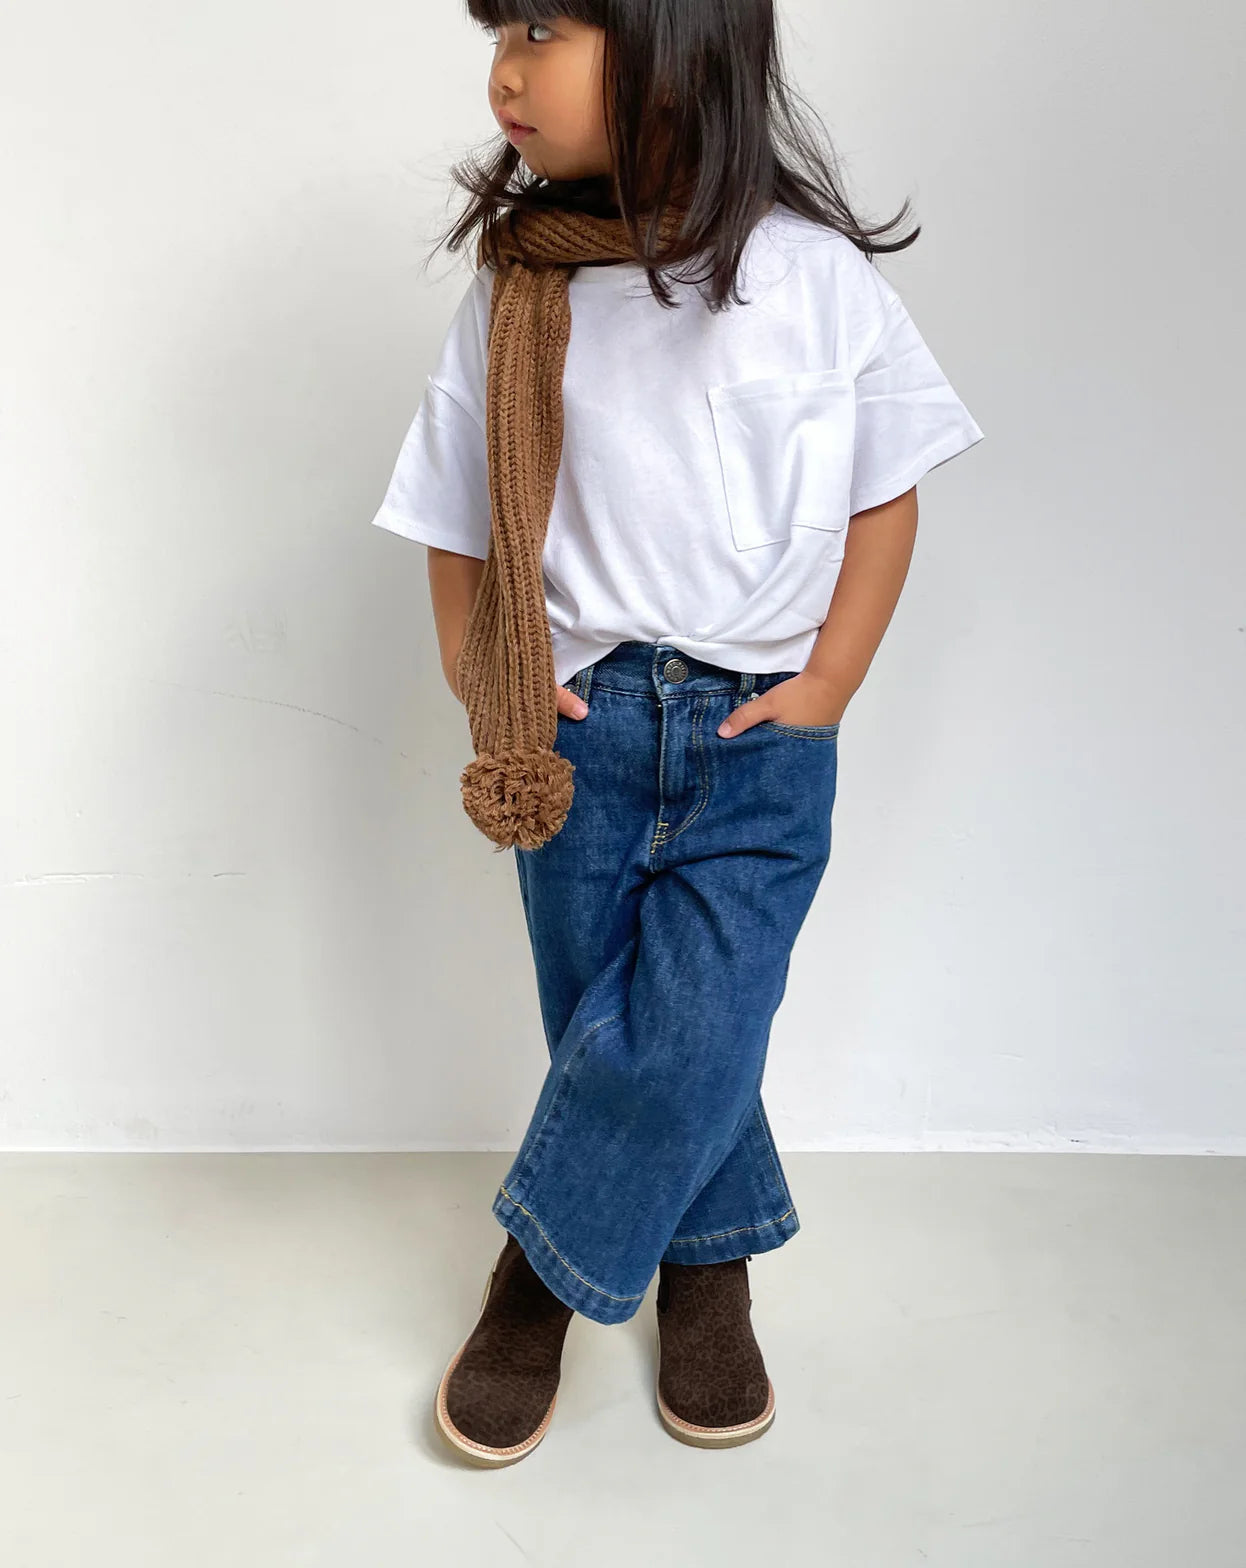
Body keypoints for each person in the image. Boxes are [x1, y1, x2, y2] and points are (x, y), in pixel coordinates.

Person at [369, 1, 984, 1466]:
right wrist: (481, 669)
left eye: (544, 26)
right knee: (612, 1019)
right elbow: (457, 505)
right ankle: (710, 1264)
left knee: (692, 1022)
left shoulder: (813, 277)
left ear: (680, 43)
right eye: (498, 31)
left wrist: (829, 684)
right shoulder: (522, 288)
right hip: (578, 727)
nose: (506, 70)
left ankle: (535, 1279)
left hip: (756, 729)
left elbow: (886, 492)